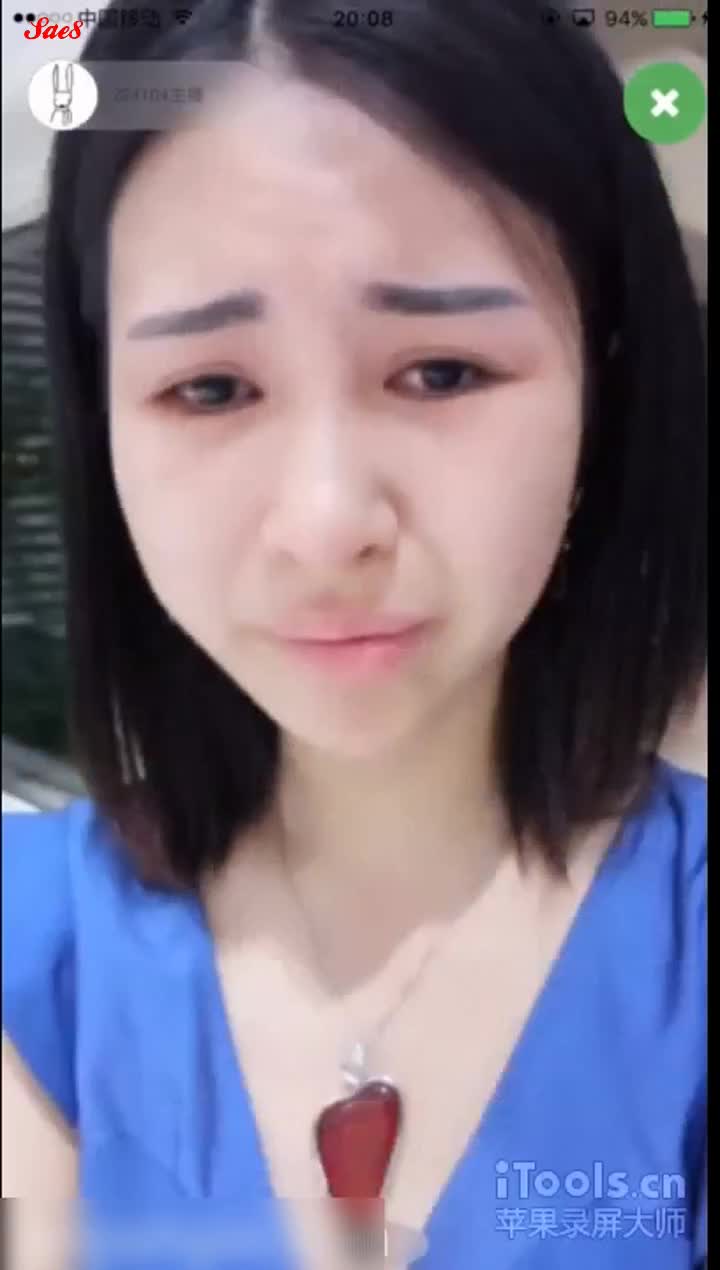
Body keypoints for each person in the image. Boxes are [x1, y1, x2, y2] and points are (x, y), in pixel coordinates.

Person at [2, 0, 706, 1266]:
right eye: (211, 387)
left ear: (604, 391)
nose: (326, 524)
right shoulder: (32, 956)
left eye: (440, 371)